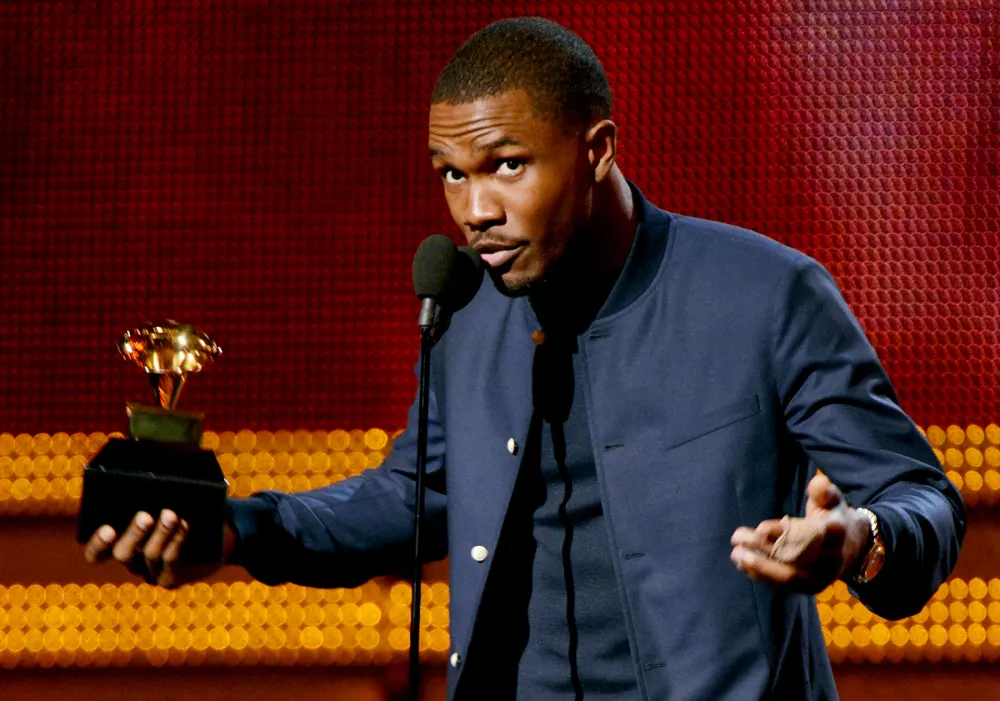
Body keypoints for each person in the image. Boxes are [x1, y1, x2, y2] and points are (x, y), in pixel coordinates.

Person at [84, 17, 965, 700]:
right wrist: (241, 528)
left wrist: (860, 539)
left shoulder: (767, 295)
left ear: (597, 151)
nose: (474, 209)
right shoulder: (469, 310)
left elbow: (923, 494)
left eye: (506, 165)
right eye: (452, 173)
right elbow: (418, 493)